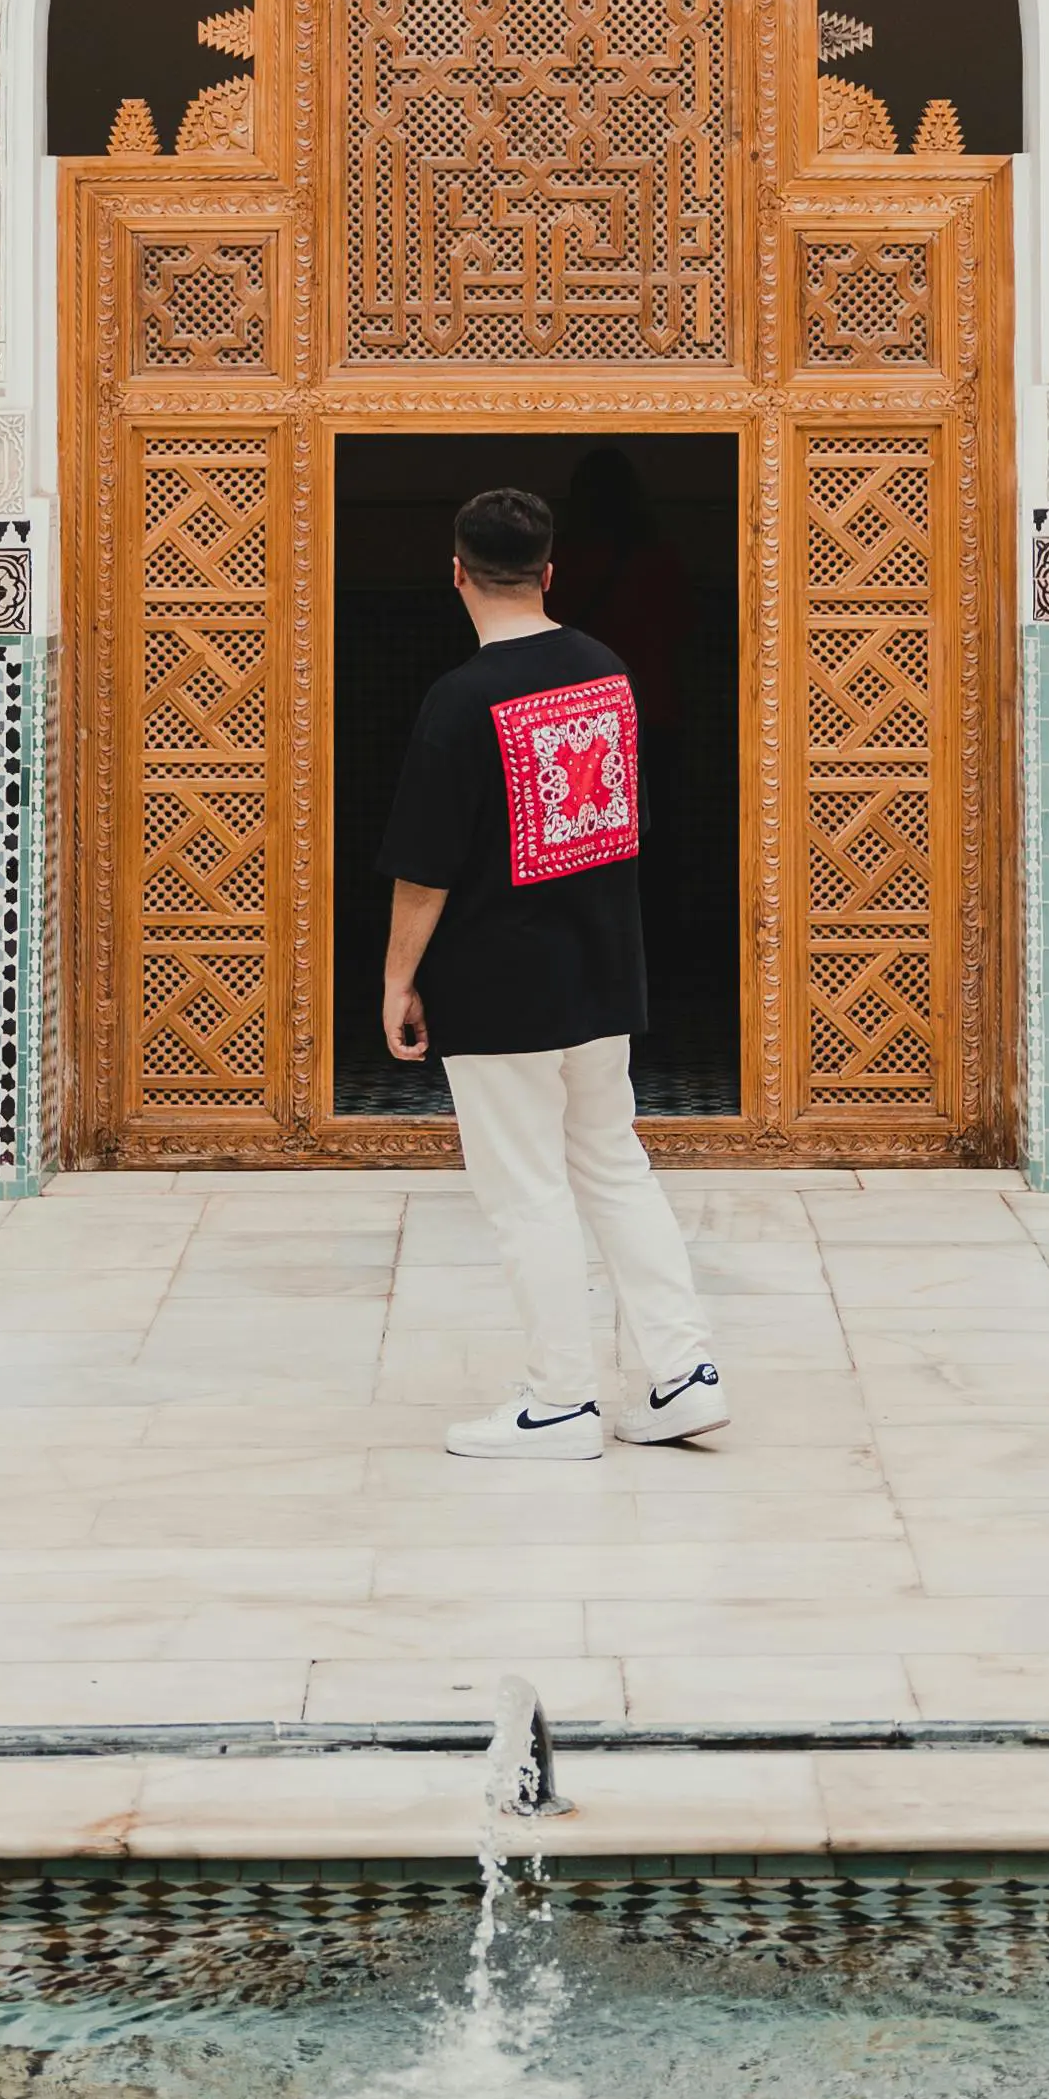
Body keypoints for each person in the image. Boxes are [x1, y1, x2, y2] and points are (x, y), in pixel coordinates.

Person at [375, 481, 730, 1463]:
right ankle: (680, 1375)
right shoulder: (604, 672)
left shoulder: (459, 702)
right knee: (614, 1169)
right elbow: (628, 824)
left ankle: (561, 1403)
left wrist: (397, 979)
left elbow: (424, 869)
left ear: (455, 573)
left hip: (497, 989)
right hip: (599, 975)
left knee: (524, 1190)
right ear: (547, 572)